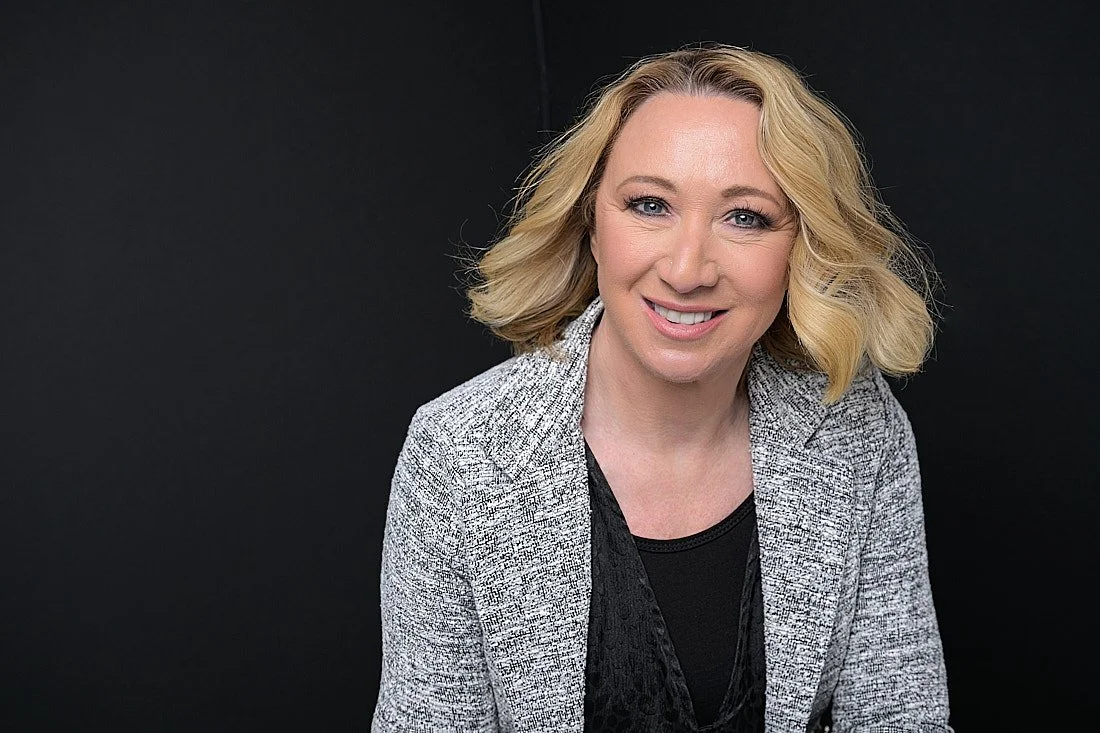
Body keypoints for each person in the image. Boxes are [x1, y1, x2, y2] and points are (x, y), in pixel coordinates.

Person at [372, 45, 951, 732]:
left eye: (746, 217)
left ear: (803, 245)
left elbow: (899, 715)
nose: (687, 268)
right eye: (650, 204)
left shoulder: (856, 425)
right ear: (593, 223)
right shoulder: (459, 453)